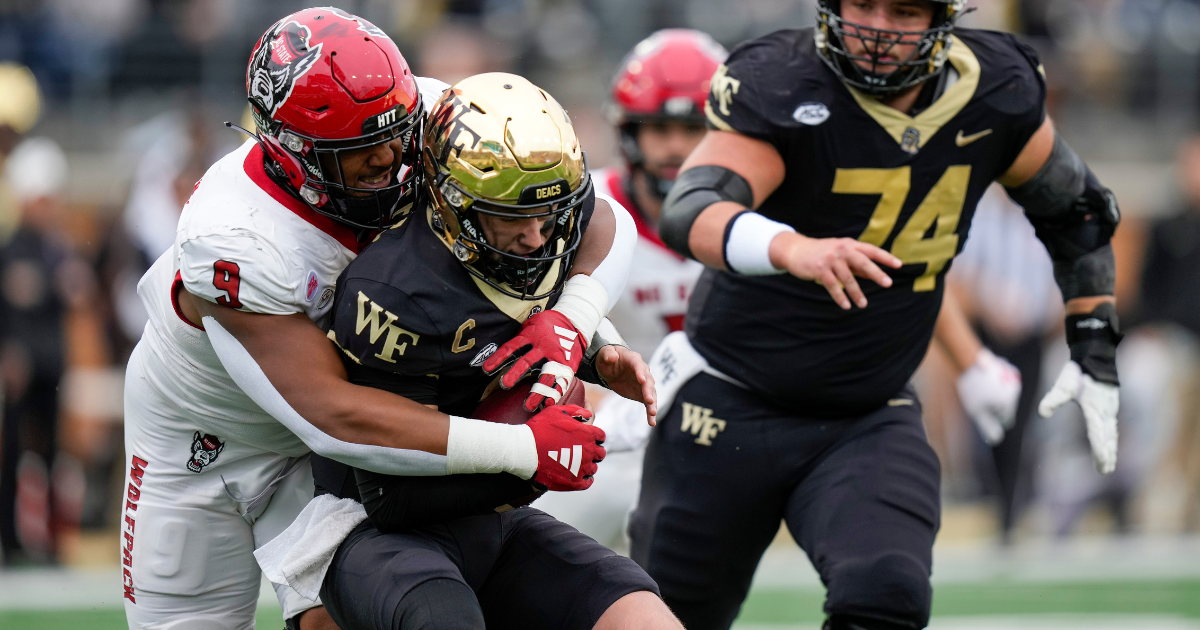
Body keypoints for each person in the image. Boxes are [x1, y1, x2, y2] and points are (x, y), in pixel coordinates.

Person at [120, 8, 651, 629]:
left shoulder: (426, 117)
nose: (394, 157)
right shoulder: (235, 239)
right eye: (363, 151)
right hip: (209, 441)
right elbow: (333, 414)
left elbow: (596, 217)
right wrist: (522, 447)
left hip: (349, 444)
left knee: (354, 612)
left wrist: (575, 327)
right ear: (295, 152)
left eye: (398, 133)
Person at [631, 1, 1123, 629]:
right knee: (665, 619)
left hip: (866, 412)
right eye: (861, 4)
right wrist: (791, 247)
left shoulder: (995, 89)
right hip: (727, 404)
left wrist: (1093, 344)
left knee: (886, 594)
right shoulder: (785, 81)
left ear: (944, 17)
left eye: (904, 11)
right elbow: (691, 207)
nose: (876, 29)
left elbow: (1076, 211)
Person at [538, 27, 1021, 547]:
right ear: (629, 132)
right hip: (618, 425)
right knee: (553, 549)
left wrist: (973, 362)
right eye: (659, 128)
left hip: (734, 416)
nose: (676, 147)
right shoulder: (592, 217)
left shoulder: (774, 208)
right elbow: (547, 326)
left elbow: (891, 277)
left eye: (693, 127)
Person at [294, 72, 676, 630]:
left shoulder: (537, 217)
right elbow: (390, 497)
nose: (538, 239)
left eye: (548, 215)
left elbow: (604, 222)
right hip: (372, 536)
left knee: (643, 617)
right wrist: (525, 455)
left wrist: (589, 342)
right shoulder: (397, 292)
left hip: (491, 523)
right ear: (452, 204)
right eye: (513, 218)